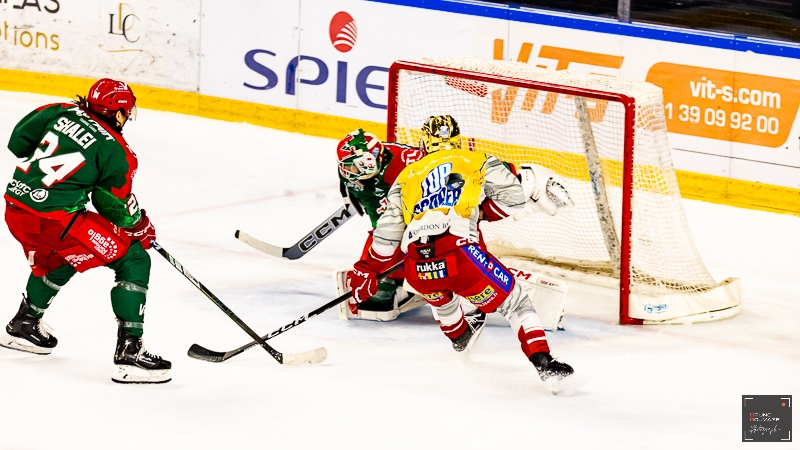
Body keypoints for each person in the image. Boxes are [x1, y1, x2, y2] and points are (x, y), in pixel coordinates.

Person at [346, 115, 575, 389]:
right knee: (516, 303)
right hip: (461, 258)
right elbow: (513, 198)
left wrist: (366, 269)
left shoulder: (406, 176)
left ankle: (460, 338)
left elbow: (385, 236)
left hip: (417, 269)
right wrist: (481, 212)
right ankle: (544, 363)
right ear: (459, 141)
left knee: (442, 300)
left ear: (423, 144)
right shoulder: (474, 160)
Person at [1, 78, 170, 384]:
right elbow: (111, 205)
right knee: (133, 259)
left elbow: (18, 143)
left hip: (15, 210)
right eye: (126, 111)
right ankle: (130, 352)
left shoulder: (58, 110)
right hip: (55, 221)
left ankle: (26, 323)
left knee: (67, 254)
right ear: (117, 112)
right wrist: (139, 224)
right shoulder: (118, 151)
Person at [335, 128, 428, 321]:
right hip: (380, 197)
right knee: (383, 236)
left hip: (417, 207)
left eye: (350, 166)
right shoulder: (358, 172)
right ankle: (391, 277)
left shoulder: (408, 168)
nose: (345, 171)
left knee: (403, 238)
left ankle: (400, 278)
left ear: (367, 162)